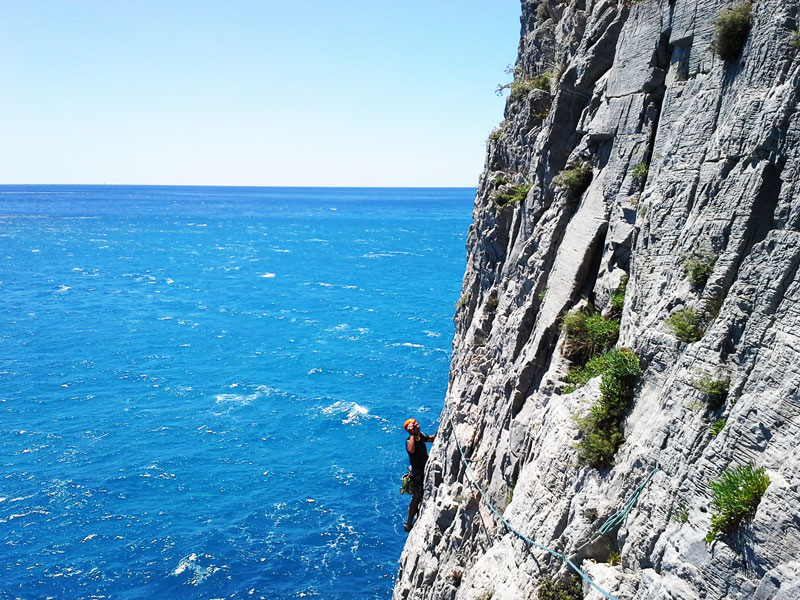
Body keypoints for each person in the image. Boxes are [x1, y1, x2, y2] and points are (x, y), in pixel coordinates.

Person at [403, 418, 436, 532]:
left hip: (424, 468)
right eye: (415, 426)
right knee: (416, 498)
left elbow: (431, 439)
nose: (418, 426)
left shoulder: (420, 435)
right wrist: (412, 434)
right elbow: (411, 450)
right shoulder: (410, 440)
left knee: (418, 496)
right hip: (418, 472)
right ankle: (408, 523)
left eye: (417, 424)